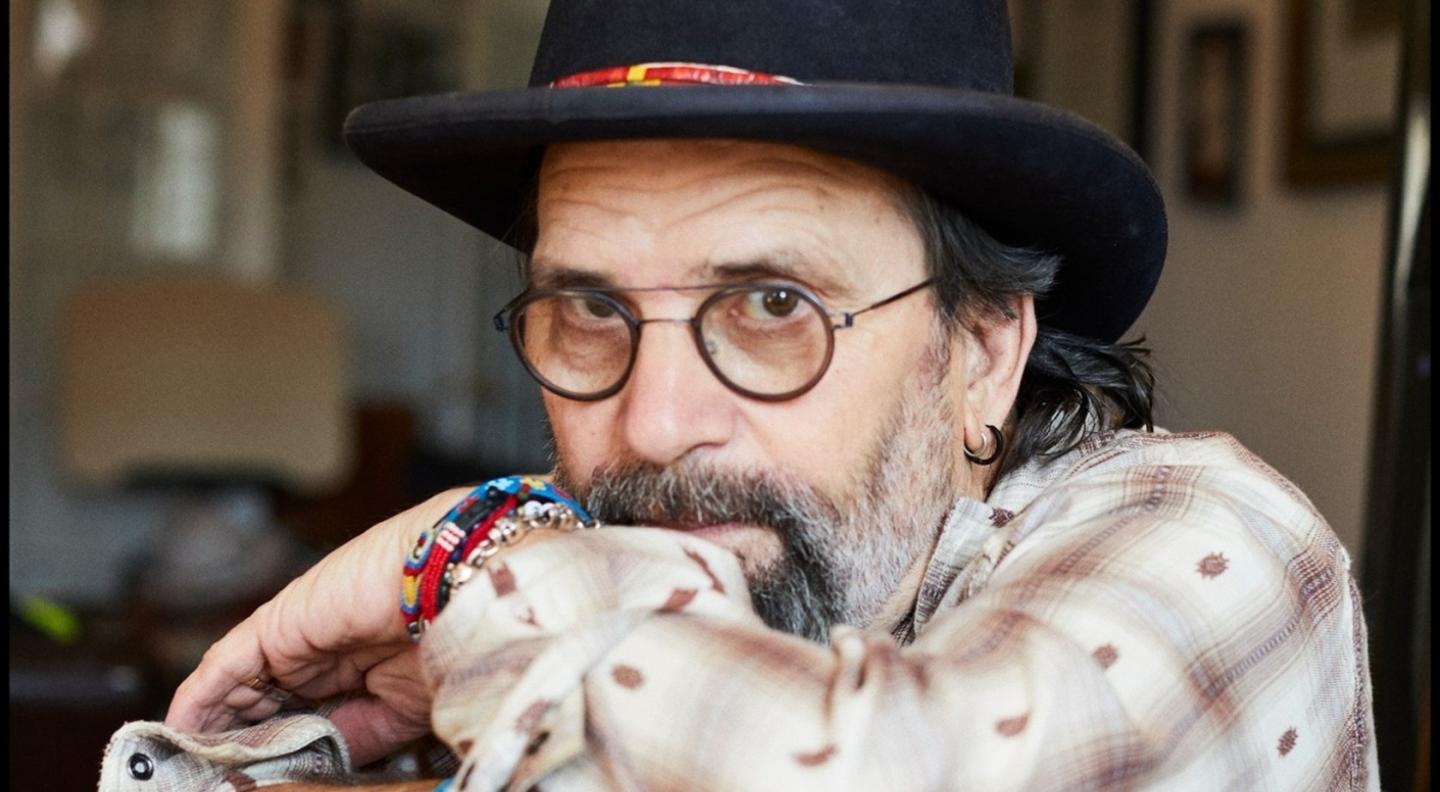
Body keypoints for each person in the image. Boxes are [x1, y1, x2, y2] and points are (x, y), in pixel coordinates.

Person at [141, 1, 1378, 789]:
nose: (655, 421)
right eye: (591, 310)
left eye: (774, 306)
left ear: (984, 349)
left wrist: (468, 557)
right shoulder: (587, 629)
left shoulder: (1225, 546)